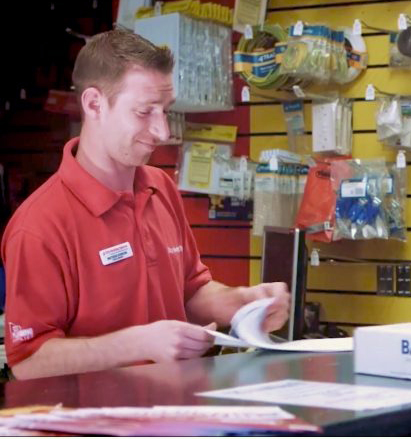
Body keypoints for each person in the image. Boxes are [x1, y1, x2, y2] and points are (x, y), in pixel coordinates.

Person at [1, 30, 290, 380]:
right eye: (144, 112)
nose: (162, 131)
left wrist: (242, 303)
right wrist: (137, 345)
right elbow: (29, 361)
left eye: (165, 110)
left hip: (178, 418)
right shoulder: (39, 225)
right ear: (94, 104)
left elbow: (190, 292)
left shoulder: (160, 187)